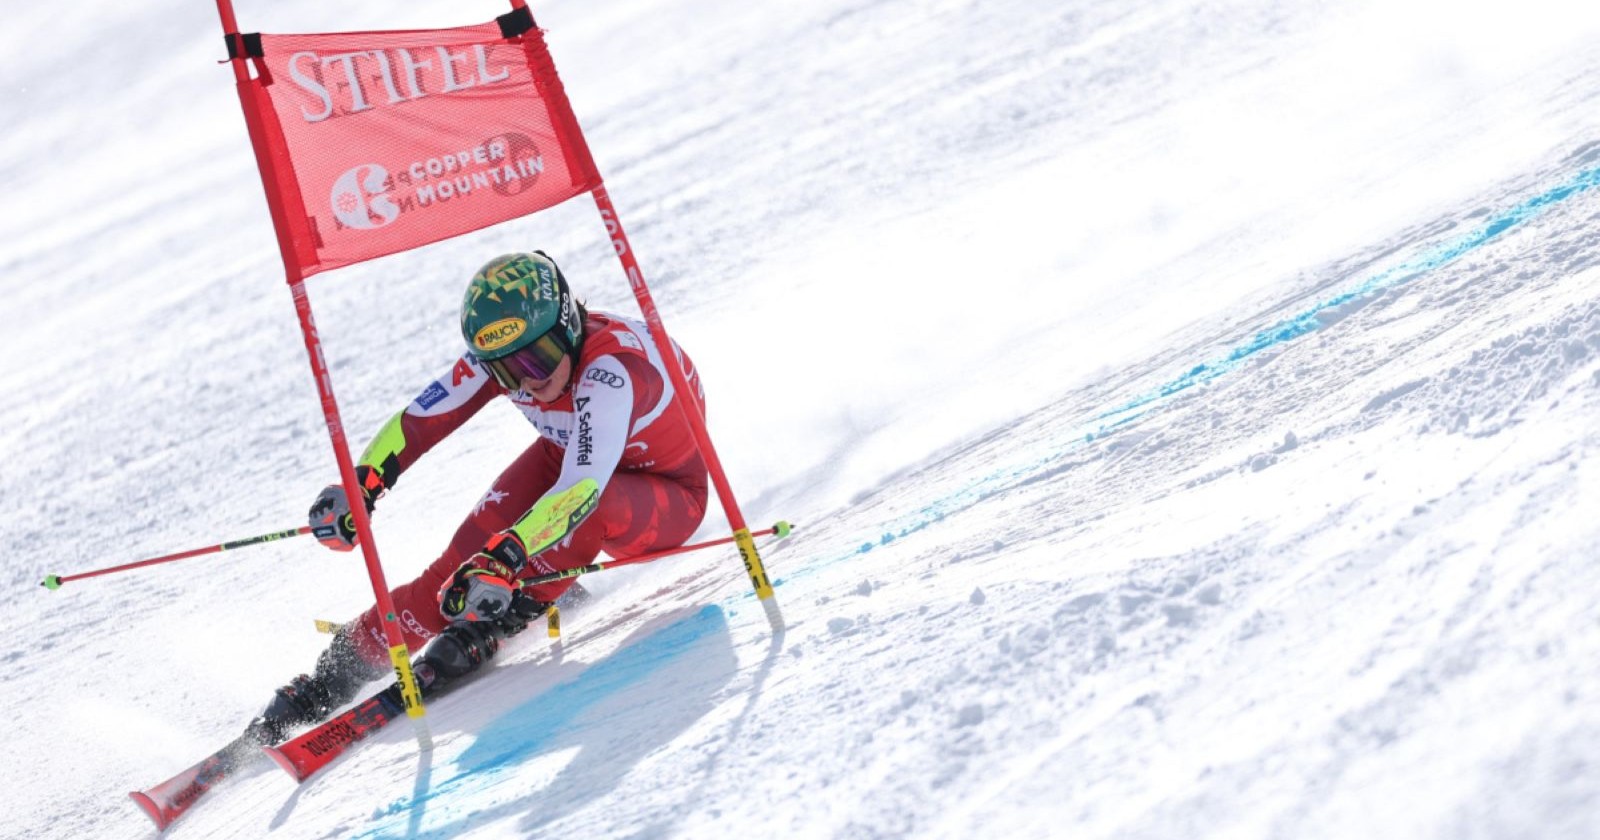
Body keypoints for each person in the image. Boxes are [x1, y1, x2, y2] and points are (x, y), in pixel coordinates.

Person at [245, 251, 710, 744]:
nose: (529, 378)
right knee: (452, 571)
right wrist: (362, 486)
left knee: (545, 532)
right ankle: (337, 670)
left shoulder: (611, 371)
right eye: (508, 372)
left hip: (665, 499)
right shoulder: (506, 356)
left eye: (539, 358)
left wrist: (507, 554)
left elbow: (582, 490)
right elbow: (421, 421)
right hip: (571, 460)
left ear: (568, 324)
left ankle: (504, 616)